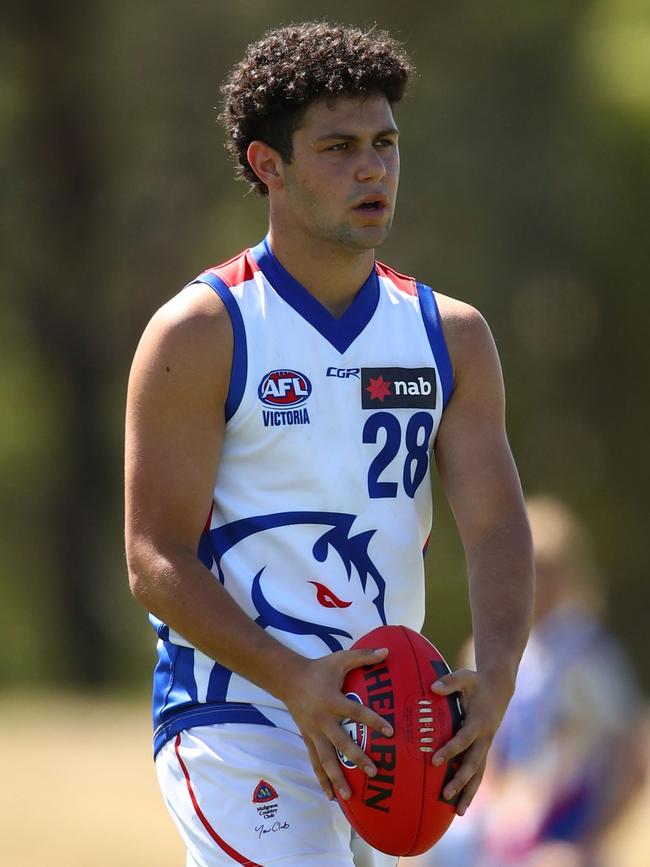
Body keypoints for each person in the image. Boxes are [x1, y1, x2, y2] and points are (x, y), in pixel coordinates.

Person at [124, 22, 534, 867]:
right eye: (339, 147)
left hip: (386, 729)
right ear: (267, 165)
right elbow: (152, 555)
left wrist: (495, 676)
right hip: (239, 714)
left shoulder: (450, 336)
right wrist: (296, 679)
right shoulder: (203, 331)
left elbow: (496, 527)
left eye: (385, 143)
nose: (373, 168)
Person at [407, 495, 645, 867]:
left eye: (546, 569)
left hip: (562, 824)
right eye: (526, 567)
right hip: (502, 814)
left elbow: (629, 753)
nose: (533, 582)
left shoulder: (586, 655)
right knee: (429, 849)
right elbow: (483, 744)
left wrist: (593, 837)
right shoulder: (484, 653)